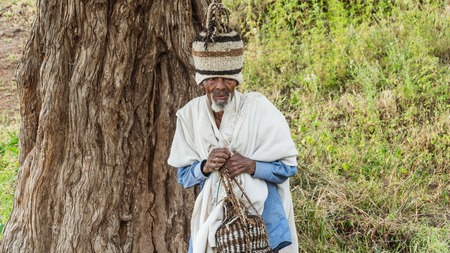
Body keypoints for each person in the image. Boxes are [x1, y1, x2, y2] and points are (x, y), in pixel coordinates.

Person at [167, 2, 299, 252]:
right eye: (212, 79)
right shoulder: (190, 115)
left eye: (227, 78)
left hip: (263, 220)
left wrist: (251, 165)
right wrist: (206, 166)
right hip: (212, 223)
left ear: (236, 81)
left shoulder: (259, 108)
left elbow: (288, 168)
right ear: (202, 81)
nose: (219, 86)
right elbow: (184, 176)